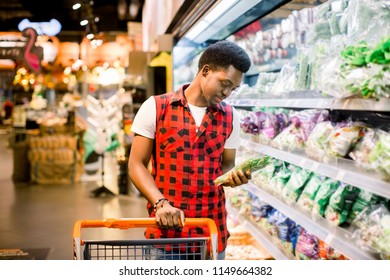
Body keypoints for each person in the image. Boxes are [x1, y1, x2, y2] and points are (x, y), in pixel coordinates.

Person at [128, 40, 252, 260]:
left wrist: (234, 176)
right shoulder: (156, 107)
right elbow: (136, 164)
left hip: (212, 233)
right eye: (224, 83)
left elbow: (227, 164)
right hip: (167, 234)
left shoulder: (231, 117)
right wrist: (160, 203)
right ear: (206, 71)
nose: (227, 93)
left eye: (233, 88)